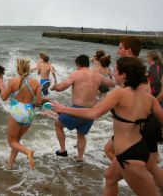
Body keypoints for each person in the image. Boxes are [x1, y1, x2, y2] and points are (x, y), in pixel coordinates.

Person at [51, 57, 163, 196]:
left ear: (124, 75)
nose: (113, 73)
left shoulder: (118, 93)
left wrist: (63, 109)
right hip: (138, 148)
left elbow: (93, 113)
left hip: (128, 155)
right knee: (110, 178)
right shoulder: (149, 98)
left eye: (116, 70)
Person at [104, 36, 163, 192]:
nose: (118, 50)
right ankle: (134, 175)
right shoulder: (129, 69)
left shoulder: (137, 71)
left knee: (151, 167)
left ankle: (137, 176)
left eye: (120, 47)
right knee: (111, 168)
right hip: (134, 128)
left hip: (142, 126)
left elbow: (146, 95)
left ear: (128, 50)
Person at [51, 54, 115, 161]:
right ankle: (80, 158)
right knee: (81, 134)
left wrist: (55, 87)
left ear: (77, 64)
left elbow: (62, 87)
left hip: (77, 110)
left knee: (57, 124)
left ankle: (62, 150)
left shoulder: (76, 74)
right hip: (90, 112)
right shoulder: (97, 76)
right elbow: (112, 84)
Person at [0, 58, 42, 169]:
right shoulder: (36, 82)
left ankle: (28, 152)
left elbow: (3, 97)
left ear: (18, 69)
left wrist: (1, 83)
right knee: (16, 142)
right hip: (29, 112)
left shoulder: (13, 81)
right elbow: (39, 102)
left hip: (17, 112)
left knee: (12, 142)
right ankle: (9, 165)